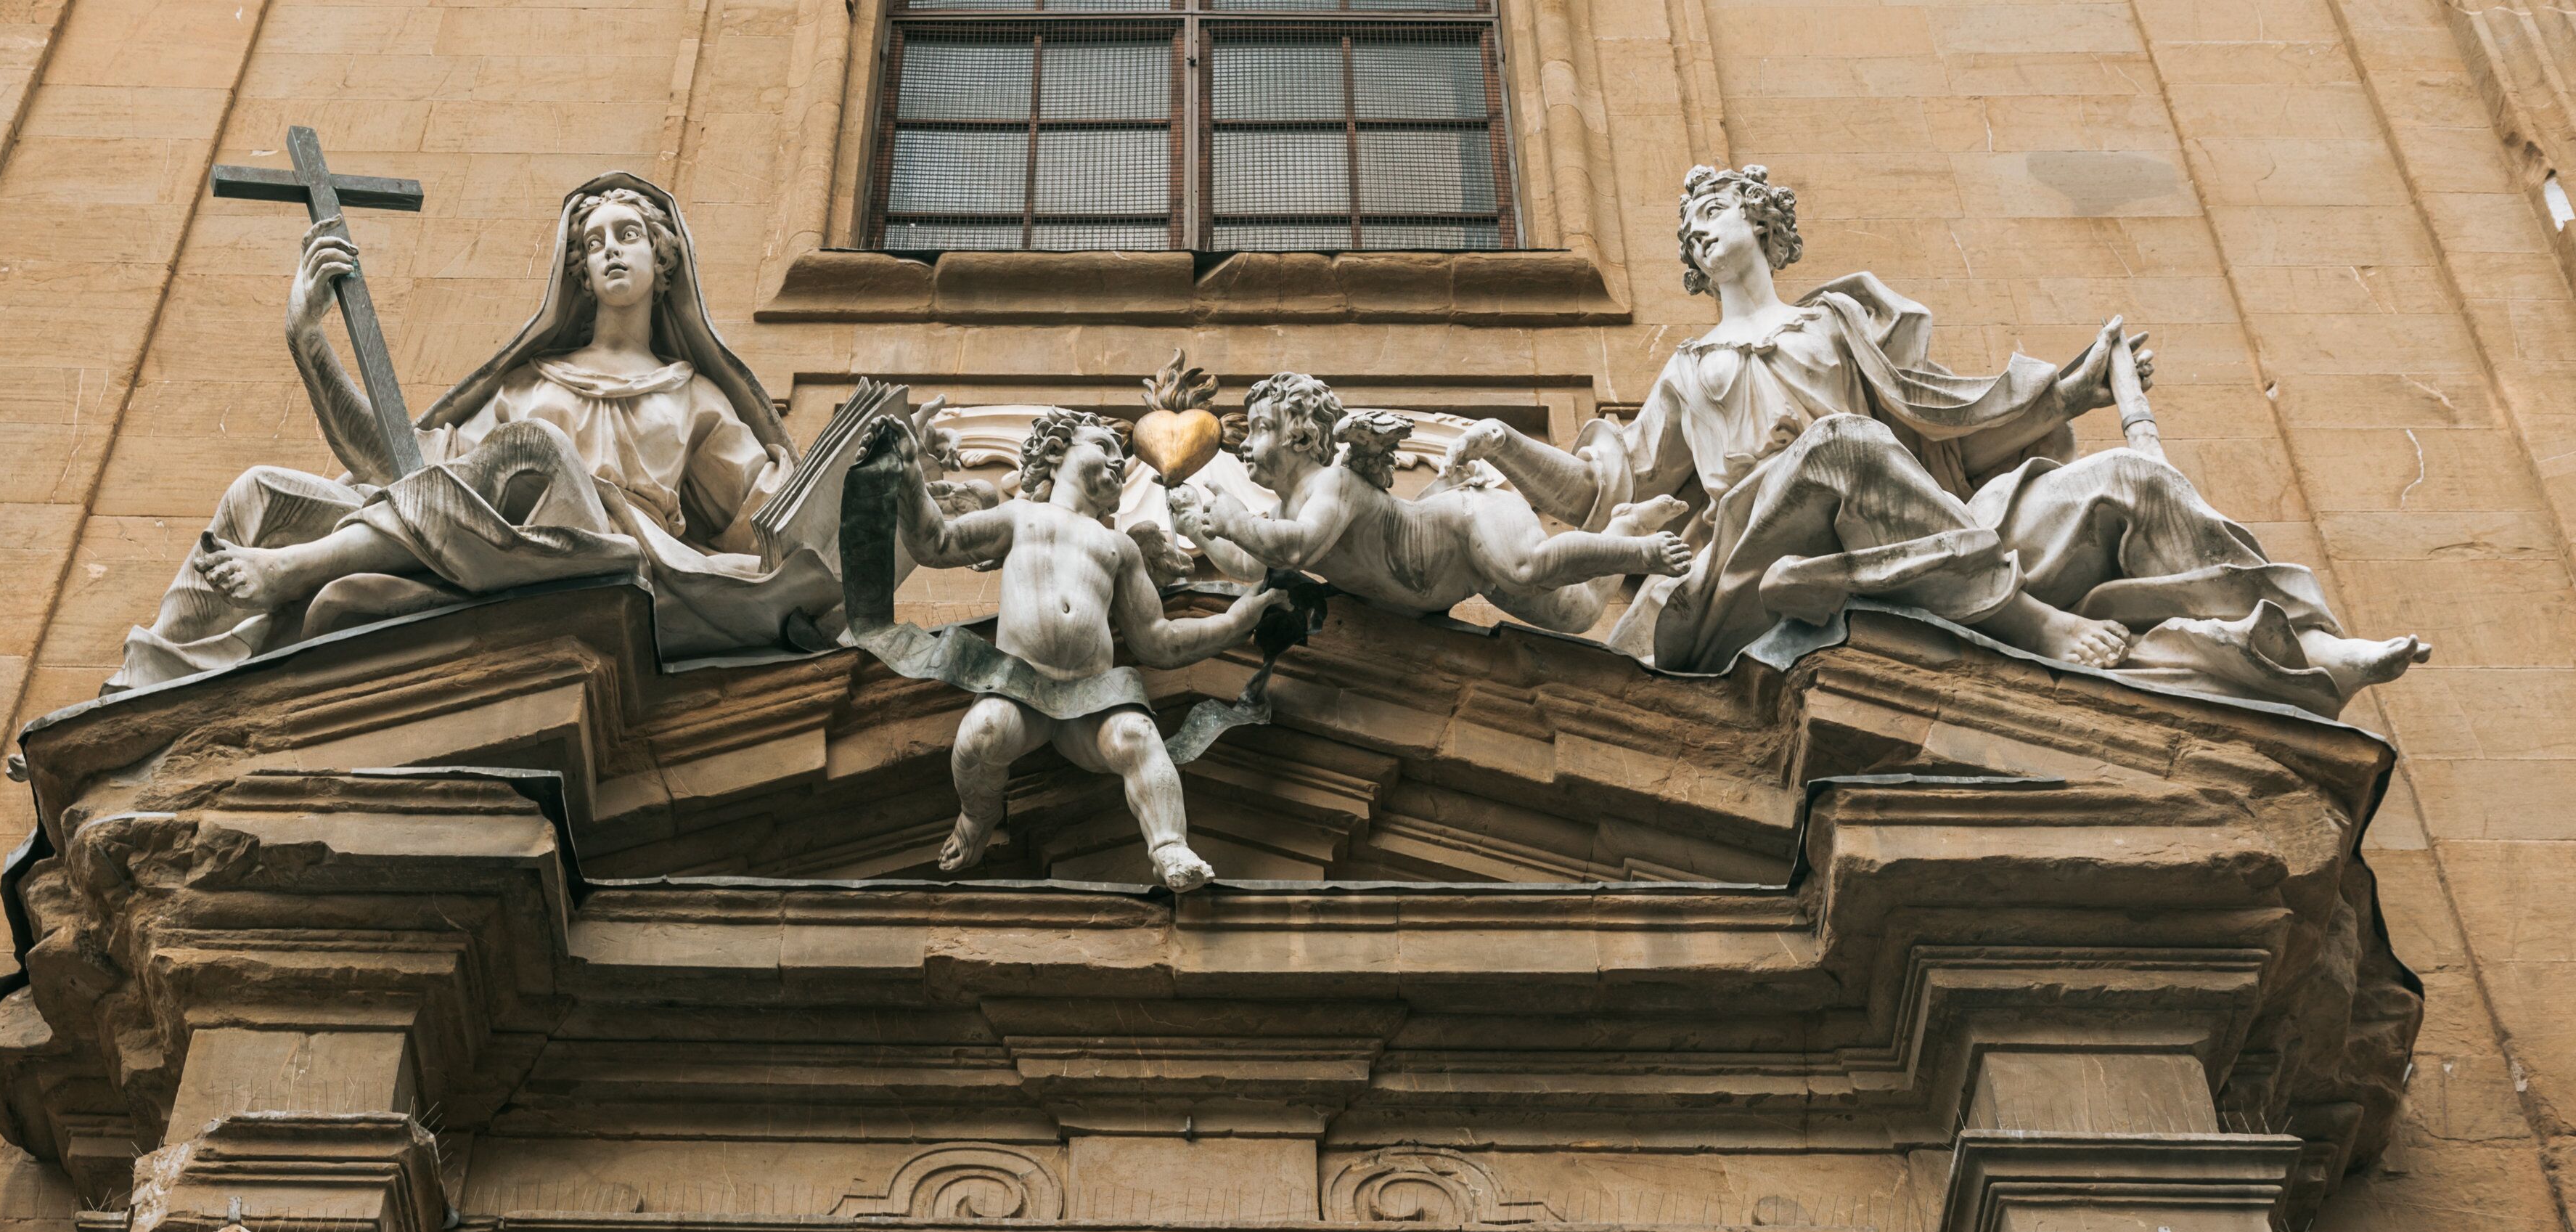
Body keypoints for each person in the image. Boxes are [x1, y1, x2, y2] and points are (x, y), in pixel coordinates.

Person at [1447, 164, 2428, 716]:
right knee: (1841, 448)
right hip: (1746, 563)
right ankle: (2036, 628)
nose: (1699, 233)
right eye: (1689, 229)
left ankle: (2305, 647)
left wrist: (2076, 391)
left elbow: (1949, 413)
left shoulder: (1838, 326)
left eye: (1712, 214)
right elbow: (1587, 491)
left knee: (2126, 475)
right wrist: (1499, 441)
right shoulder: (1684, 371)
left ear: (1764, 227)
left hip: (1909, 528)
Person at [110, 174, 849, 690]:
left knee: (535, 447)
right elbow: (398, 465)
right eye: (594, 243)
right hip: (485, 541)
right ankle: (146, 689)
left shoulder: (694, 397)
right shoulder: (528, 385)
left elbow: (768, 524)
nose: (611, 250)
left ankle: (299, 568)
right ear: (580, 275)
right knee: (260, 493)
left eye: (629, 235)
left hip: (612, 560)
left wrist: (882, 482)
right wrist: (308, 339)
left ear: (663, 263)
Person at [880, 409, 1288, 892]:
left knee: (1138, 737)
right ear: (1057, 453)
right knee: (984, 734)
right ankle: (978, 814)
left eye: (1122, 454)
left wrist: (1236, 621)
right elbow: (936, 542)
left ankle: (1169, 848)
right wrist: (908, 476)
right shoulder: (1022, 515)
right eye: (1105, 447)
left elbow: (1158, 639)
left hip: (1092, 699)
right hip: (1021, 685)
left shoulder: (1119, 547)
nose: (1120, 461)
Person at [1174, 372, 1692, 634]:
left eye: (1261, 428)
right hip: (1438, 580)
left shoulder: (1331, 487)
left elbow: (1295, 548)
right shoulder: (1281, 516)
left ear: (1303, 436)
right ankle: (1621, 528)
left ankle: (1639, 553)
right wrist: (1199, 529)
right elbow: (1249, 563)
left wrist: (1235, 519)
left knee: (1528, 565)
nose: (1244, 443)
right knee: (1573, 615)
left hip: (1464, 522)